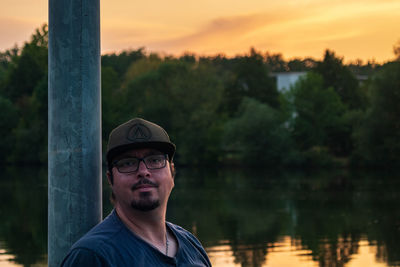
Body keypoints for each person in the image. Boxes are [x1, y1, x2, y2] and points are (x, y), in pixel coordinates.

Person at [61, 118, 211, 266]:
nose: (143, 172)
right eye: (127, 163)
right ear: (111, 179)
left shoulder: (192, 245)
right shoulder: (93, 256)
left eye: (155, 160)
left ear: (172, 172)